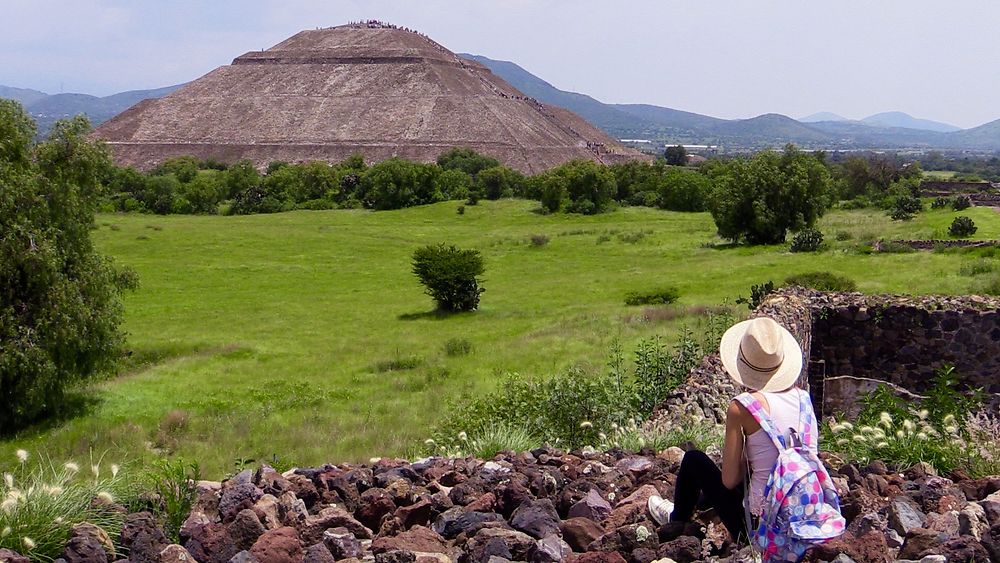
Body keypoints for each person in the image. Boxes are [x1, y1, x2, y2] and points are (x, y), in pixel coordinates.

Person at [646, 316, 819, 544]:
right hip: (807, 515)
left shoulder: (742, 407)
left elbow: (729, 480)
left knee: (694, 460)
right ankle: (702, 506)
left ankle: (676, 518)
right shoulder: (805, 400)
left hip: (760, 529)